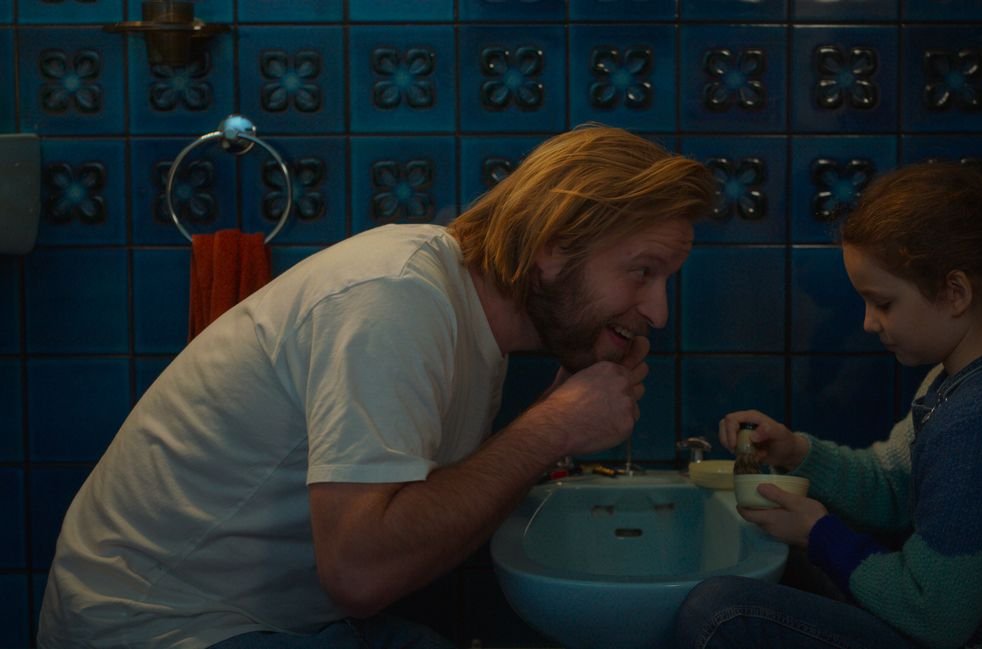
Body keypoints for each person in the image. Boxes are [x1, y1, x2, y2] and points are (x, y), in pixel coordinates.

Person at [39, 124, 715, 649]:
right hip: (153, 626)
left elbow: (416, 524)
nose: (658, 311)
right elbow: (360, 573)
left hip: (264, 623)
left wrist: (549, 418)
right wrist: (551, 428)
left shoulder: (472, 324)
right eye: (642, 271)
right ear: (552, 246)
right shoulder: (398, 296)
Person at [675, 162, 982, 649]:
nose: (868, 323)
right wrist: (796, 452)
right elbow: (890, 490)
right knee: (778, 550)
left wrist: (819, 531)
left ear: (954, 293)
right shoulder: (955, 383)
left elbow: (935, 615)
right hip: (955, 619)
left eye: (883, 303)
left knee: (721, 614)